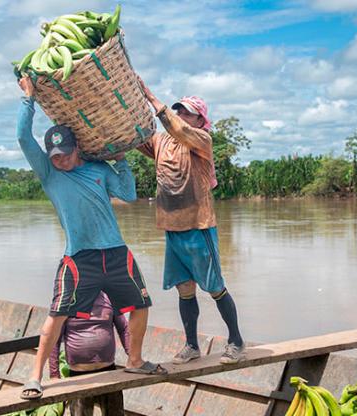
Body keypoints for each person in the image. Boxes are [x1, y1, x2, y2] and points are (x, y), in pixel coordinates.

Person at [15, 76, 166, 400]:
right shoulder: (49, 174)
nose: (60, 160)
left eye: (65, 154)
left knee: (141, 305)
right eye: (54, 155)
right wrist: (28, 99)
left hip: (115, 252)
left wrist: (122, 161)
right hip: (79, 257)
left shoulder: (98, 169)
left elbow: (128, 194)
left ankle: (135, 360)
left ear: (77, 149)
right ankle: (35, 377)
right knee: (57, 315)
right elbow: (22, 137)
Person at [137, 78, 246, 365]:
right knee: (184, 289)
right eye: (179, 111)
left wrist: (152, 98)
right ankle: (192, 346)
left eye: (188, 113)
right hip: (172, 228)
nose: (182, 115)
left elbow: (179, 129)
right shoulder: (161, 142)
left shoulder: (201, 140)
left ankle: (236, 341)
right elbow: (136, 137)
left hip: (199, 227)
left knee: (215, 287)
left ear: (200, 120)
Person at [49, 292, 129, 415]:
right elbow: (54, 338)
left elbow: (123, 328)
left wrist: (132, 355)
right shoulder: (66, 301)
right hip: (79, 376)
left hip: (108, 372)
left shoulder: (110, 297)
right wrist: (54, 375)